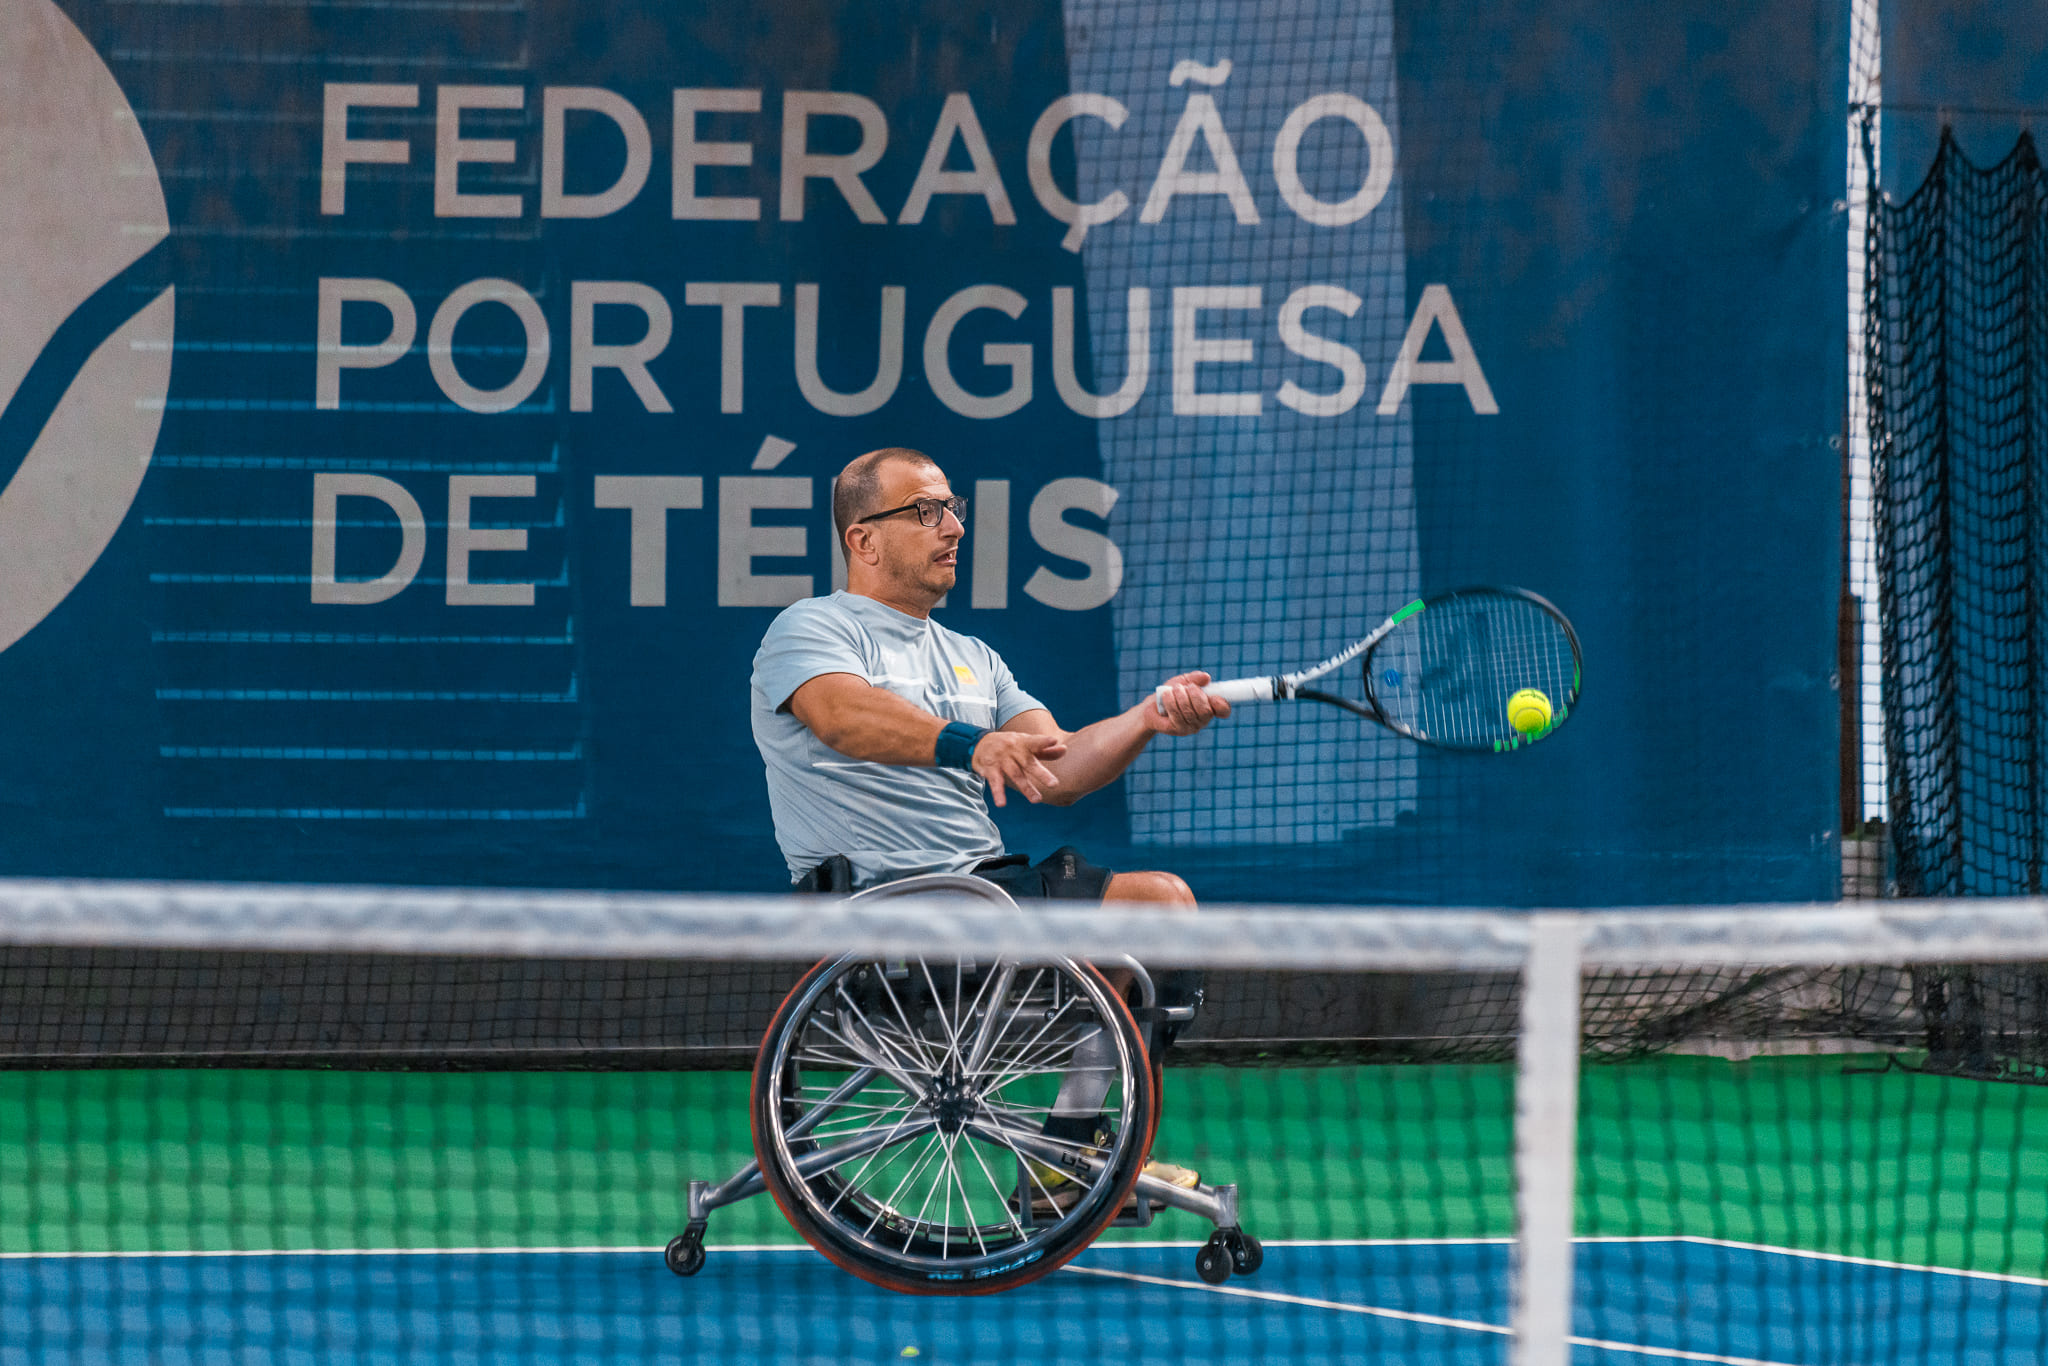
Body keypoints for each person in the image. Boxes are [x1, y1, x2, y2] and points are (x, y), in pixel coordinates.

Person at [749, 445, 1227, 1209]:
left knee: (1160, 917)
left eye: (953, 510)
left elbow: (1060, 767)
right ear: (862, 539)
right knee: (1156, 906)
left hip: (982, 901)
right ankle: (1069, 1161)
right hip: (882, 915)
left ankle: (1065, 1154)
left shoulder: (974, 658)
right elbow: (842, 715)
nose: (953, 528)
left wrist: (1146, 718)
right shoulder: (811, 629)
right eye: (925, 511)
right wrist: (971, 744)